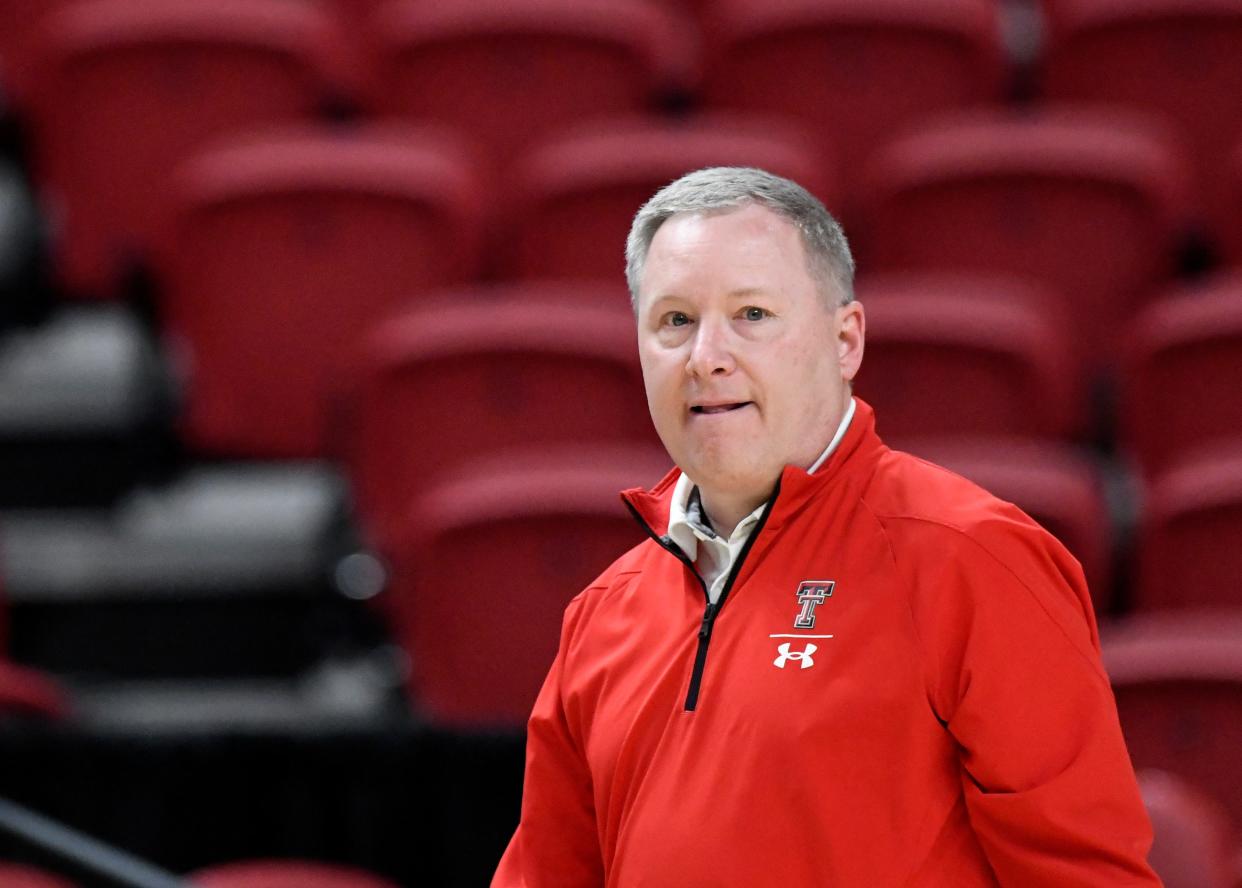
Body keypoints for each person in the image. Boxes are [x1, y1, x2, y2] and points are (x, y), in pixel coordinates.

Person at [492, 167, 1160, 886]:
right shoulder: (600, 614)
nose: (705, 358)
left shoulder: (973, 559)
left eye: (751, 315)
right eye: (674, 321)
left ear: (846, 341)